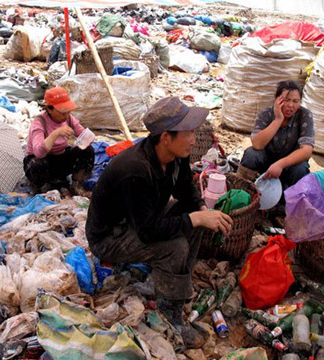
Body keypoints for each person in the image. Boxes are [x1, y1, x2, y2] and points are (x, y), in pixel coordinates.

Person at [86, 97, 233, 349]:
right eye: (187, 134)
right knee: (175, 246)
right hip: (110, 237)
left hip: (141, 217)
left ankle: (175, 281)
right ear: (166, 137)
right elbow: (148, 232)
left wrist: (200, 209)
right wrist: (196, 218)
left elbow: (186, 190)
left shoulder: (177, 155)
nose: (193, 140)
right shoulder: (136, 170)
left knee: (197, 221)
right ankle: (170, 312)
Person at [237, 80, 315, 189]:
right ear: (277, 99)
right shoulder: (266, 114)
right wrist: (278, 119)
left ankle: (289, 198)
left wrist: (280, 164)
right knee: (251, 154)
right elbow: (257, 144)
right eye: (286, 100)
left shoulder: (304, 115)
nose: (291, 105)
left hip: (289, 165)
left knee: (301, 168)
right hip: (266, 163)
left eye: (295, 101)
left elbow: (306, 151)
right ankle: (242, 189)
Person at [24, 87, 94, 195]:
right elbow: (39, 153)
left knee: (87, 150)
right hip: (42, 162)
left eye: (68, 112)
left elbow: (83, 134)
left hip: (60, 158)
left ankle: (76, 184)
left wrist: (86, 138)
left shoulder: (68, 119)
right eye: (62, 112)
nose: (66, 116)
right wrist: (56, 133)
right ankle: (42, 189)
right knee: (37, 164)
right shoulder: (40, 122)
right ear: (49, 109)